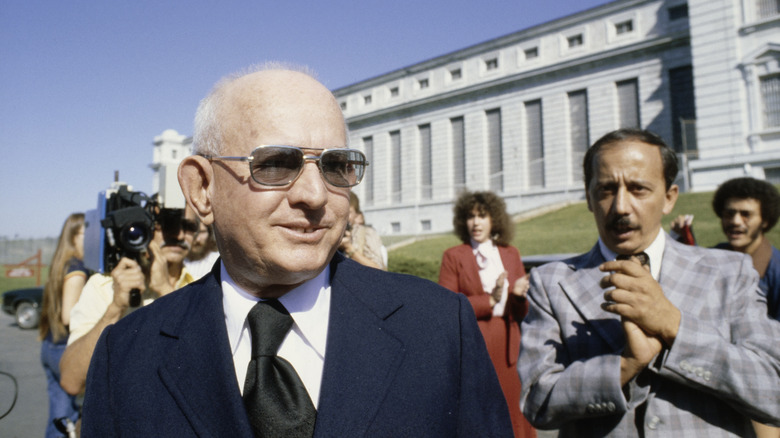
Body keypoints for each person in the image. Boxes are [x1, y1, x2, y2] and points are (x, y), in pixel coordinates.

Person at [79, 64, 512, 437]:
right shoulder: (127, 357)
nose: (314, 194)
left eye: (336, 166)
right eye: (275, 164)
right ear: (202, 189)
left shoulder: (438, 330)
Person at [519, 128, 780, 436]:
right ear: (589, 198)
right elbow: (537, 401)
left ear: (669, 198)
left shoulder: (729, 272)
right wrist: (623, 366)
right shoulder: (552, 282)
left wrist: (674, 327)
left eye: (638, 189)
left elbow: (772, 390)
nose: (621, 207)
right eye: (605, 190)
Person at [59, 207, 197, 396]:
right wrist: (116, 308)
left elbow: (202, 372)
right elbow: (71, 381)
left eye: (188, 226)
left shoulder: (206, 286)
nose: (178, 233)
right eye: (167, 223)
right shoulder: (105, 286)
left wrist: (165, 290)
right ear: (147, 227)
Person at [438, 191, 536, 438]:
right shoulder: (454, 256)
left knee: (513, 413)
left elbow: (521, 313)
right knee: (480, 412)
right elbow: (447, 307)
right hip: (475, 343)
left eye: (482, 216)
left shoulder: (510, 253)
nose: (476, 222)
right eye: (471, 217)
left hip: (508, 346)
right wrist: (489, 300)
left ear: (495, 220)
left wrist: (518, 296)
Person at [670, 177, 780, 319]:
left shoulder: (776, 272)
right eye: (729, 214)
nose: (735, 221)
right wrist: (683, 239)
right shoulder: (717, 254)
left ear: (765, 220)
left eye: (746, 214)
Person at [38, 213, 89, 437]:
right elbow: (69, 316)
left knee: (57, 416)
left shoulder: (62, 264)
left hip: (50, 345)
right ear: (74, 236)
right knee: (67, 419)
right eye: (85, 233)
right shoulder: (77, 269)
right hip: (63, 349)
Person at [338, 192, 386, 270]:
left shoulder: (366, 233)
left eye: (349, 212)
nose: (344, 216)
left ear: (356, 214)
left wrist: (349, 248)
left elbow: (379, 270)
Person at [184, 214, 220, 279]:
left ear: (209, 234)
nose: (198, 239)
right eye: (193, 233)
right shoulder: (178, 261)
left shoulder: (219, 262)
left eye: (202, 232)